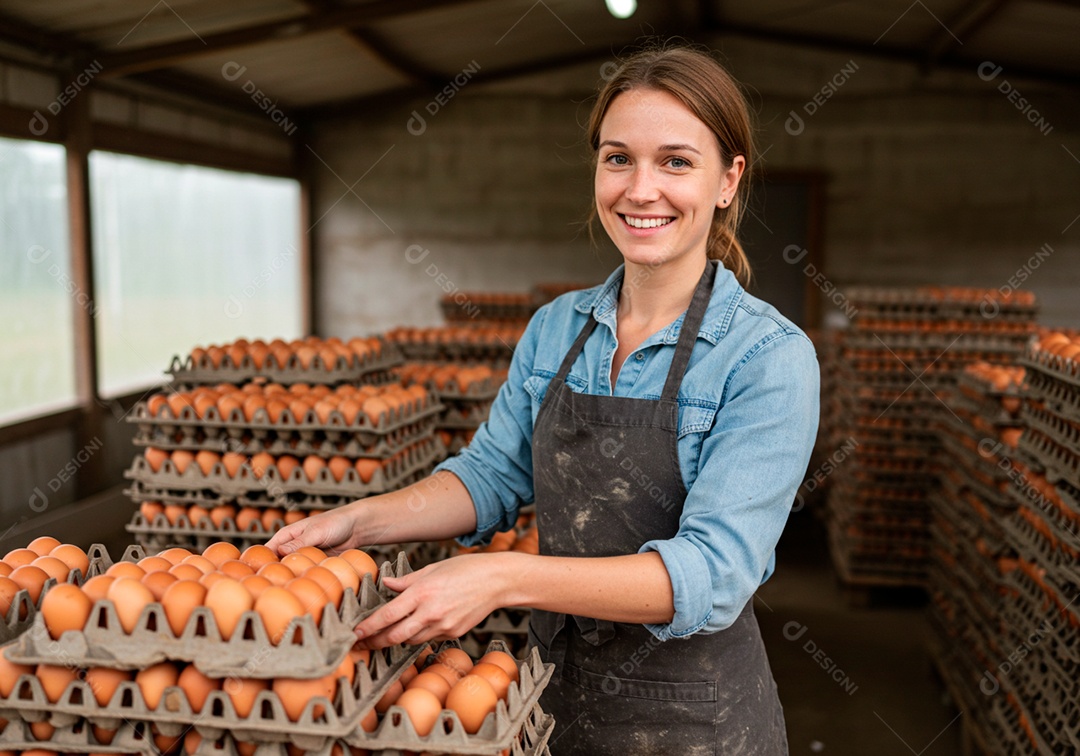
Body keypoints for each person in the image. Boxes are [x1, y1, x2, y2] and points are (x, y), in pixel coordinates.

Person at [268, 44, 819, 755]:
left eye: (676, 162)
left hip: (695, 722)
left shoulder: (766, 357)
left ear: (727, 180)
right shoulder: (559, 329)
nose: (640, 189)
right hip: (551, 695)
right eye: (618, 158)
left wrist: (501, 576)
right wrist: (364, 521)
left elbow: (713, 574)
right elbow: (493, 475)